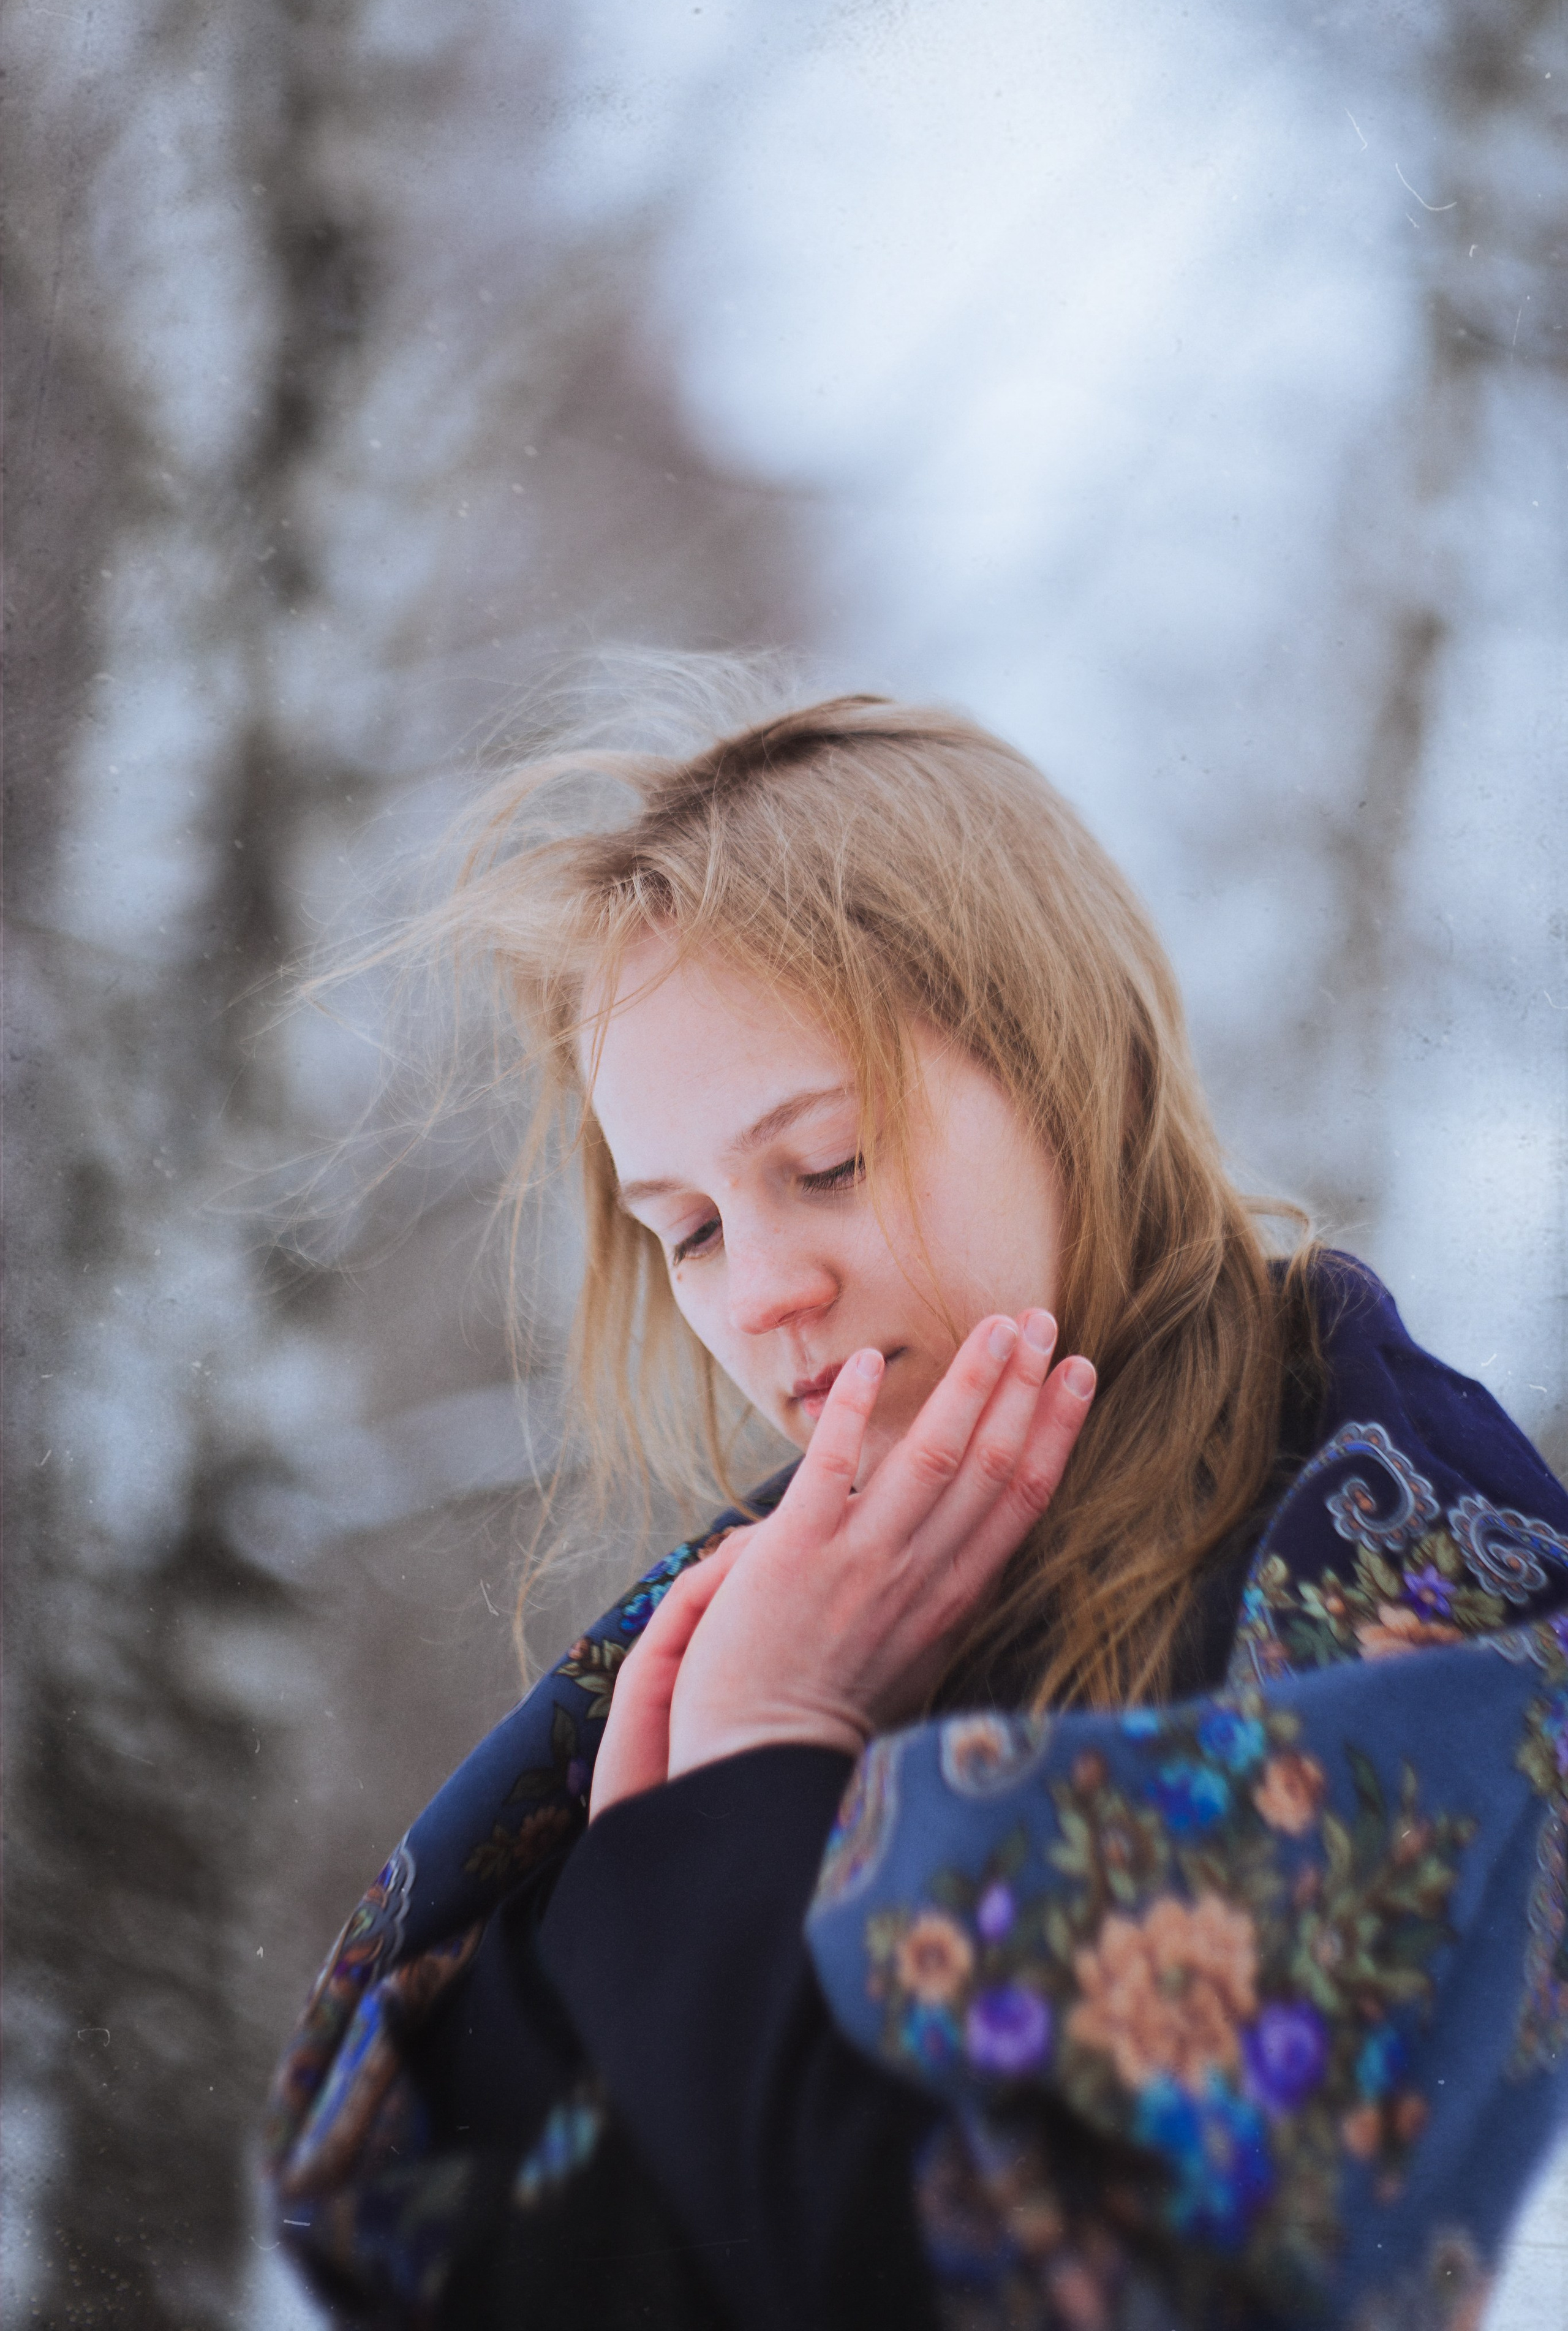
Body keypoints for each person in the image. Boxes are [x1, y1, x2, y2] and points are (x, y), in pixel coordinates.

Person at [265, 695, 1568, 2331]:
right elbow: (448, 2233)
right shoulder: (768, 1603)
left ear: (1065, 1064)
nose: (761, 1294)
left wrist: (746, 1801)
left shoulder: (1420, 1590)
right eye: (688, 1229)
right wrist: (669, 1832)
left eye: (822, 1165)